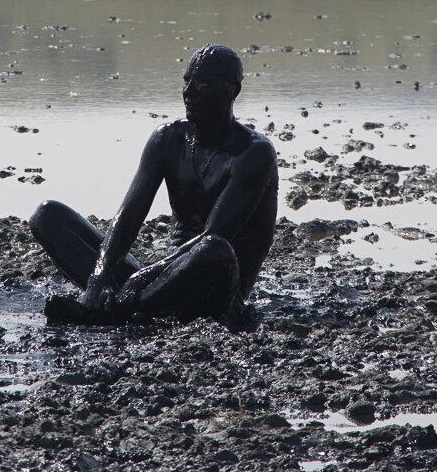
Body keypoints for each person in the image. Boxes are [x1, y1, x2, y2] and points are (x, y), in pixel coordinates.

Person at [30, 44, 277, 330]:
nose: (189, 93)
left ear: (231, 89)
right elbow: (128, 218)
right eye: (187, 82)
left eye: (202, 84)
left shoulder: (254, 153)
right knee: (47, 215)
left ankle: (117, 310)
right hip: (160, 284)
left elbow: (216, 234)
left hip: (214, 292)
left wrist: (138, 280)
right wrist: (100, 276)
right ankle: (120, 302)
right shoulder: (168, 139)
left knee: (213, 248)